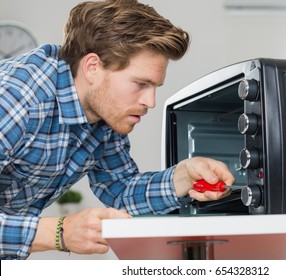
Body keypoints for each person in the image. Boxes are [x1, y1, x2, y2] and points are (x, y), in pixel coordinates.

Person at [0, 0, 234, 260]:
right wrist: (58, 233)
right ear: (93, 68)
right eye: (140, 84)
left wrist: (183, 177)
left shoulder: (104, 117)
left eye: (155, 86)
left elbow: (120, 191)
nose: (151, 102)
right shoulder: (16, 98)